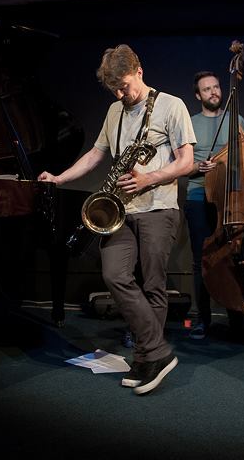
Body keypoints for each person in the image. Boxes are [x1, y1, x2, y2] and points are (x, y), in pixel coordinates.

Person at [39, 45, 195, 395]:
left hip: (158, 208)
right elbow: (96, 154)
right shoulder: (114, 110)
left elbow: (187, 162)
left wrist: (148, 178)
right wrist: (59, 178)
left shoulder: (172, 105)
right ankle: (158, 351)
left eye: (124, 86)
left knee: (153, 285)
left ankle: (145, 358)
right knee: (114, 275)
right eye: (114, 89)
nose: (120, 95)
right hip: (120, 210)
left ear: (139, 71)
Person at [184, 71, 244, 341]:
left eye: (216, 87)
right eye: (206, 89)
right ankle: (202, 319)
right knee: (202, 258)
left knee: (234, 255)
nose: (213, 92)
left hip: (231, 196)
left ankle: (237, 319)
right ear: (197, 95)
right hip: (199, 195)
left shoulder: (238, 120)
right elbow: (179, 166)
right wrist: (197, 167)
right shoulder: (189, 123)